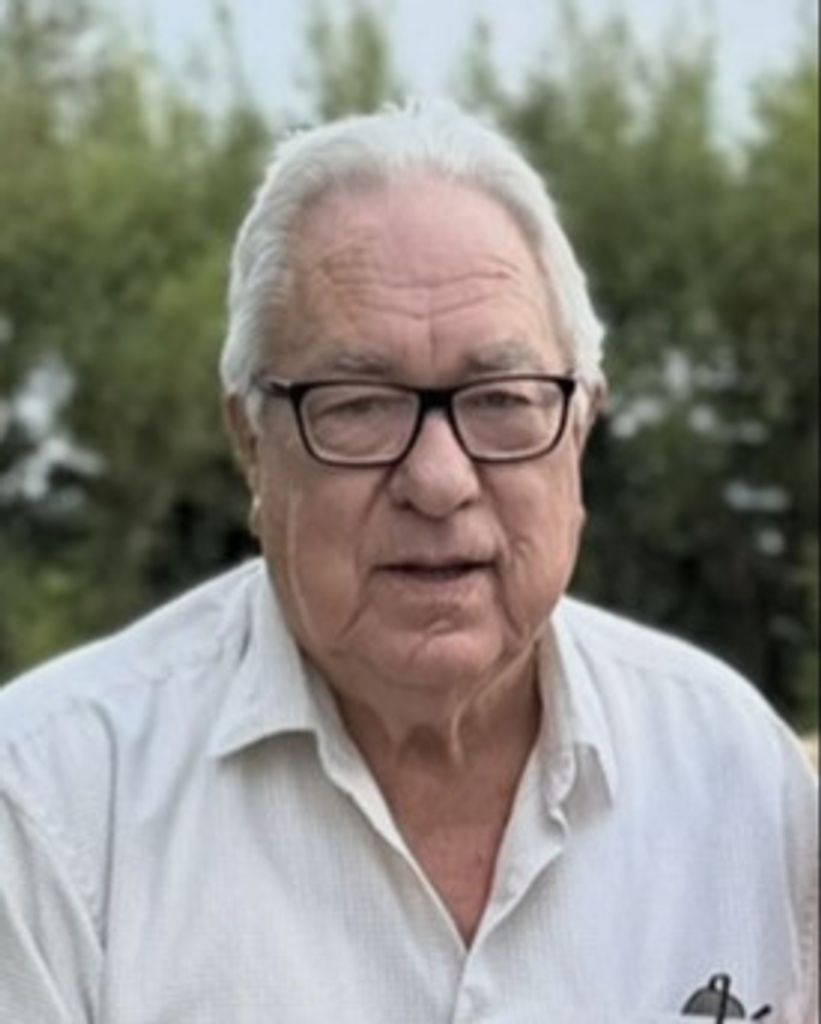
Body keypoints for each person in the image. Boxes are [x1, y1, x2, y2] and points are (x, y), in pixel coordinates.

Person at [0, 101, 816, 1024]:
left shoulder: (734, 776)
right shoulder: (50, 809)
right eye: (358, 404)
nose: (437, 480)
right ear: (252, 444)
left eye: (500, 399)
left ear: (580, 426)